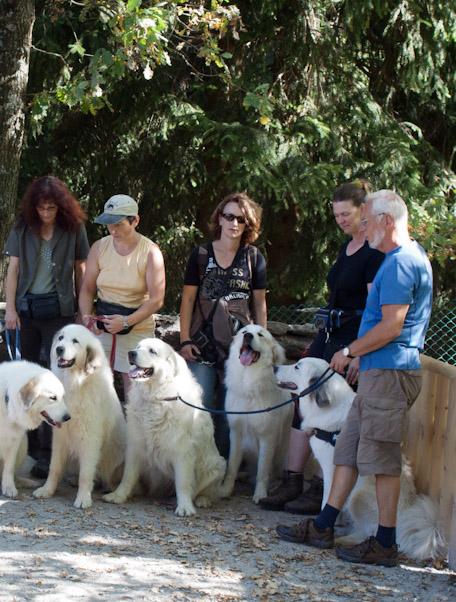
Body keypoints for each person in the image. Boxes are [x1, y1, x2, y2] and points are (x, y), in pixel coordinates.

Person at [277, 189, 433, 566]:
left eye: (367, 221)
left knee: (380, 459)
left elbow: (393, 325)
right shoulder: (403, 259)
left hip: (391, 374)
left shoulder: (399, 264)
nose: (363, 229)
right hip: (378, 371)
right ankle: (324, 525)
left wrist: (351, 351)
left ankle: (385, 543)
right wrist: (364, 357)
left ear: (388, 221)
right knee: (347, 450)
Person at [259, 181, 384, 514]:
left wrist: (359, 352)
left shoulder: (374, 252)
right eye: (337, 215)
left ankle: (322, 490)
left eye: (347, 213)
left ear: (363, 209)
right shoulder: (348, 247)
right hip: (329, 338)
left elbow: (375, 308)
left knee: (336, 422)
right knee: (304, 406)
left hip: (351, 342)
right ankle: (292, 481)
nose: (341, 220)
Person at [3, 176, 90, 476]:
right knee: (25, 381)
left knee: (57, 383)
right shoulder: (21, 227)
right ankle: (26, 451)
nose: (46, 213)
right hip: (25, 312)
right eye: (41, 208)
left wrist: (82, 313)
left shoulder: (74, 228)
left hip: (60, 312)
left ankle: (51, 456)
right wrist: (10, 309)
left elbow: (81, 270)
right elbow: (12, 269)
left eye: (51, 208)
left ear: (61, 206)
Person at [178, 193, 268, 458]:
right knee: (200, 407)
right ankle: (197, 465)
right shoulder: (201, 254)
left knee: (232, 412)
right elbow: (188, 299)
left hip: (242, 349)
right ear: (220, 218)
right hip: (201, 343)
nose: (234, 224)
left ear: (248, 224)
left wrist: (262, 344)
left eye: (241, 219)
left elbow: (259, 304)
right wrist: (184, 339)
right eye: (229, 216)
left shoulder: (254, 257)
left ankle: (224, 471)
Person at [78, 194, 165, 397]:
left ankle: (133, 429)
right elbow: (87, 288)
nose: (112, 230)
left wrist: (126, 321)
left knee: (135, 390)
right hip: (103, 325)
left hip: (136, 327)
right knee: (93, 386)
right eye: (108, 224)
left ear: (135, 221)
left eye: (118, 224)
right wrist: (86, 318)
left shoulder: (151, 252)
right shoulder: (99, 247)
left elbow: (157, 299)